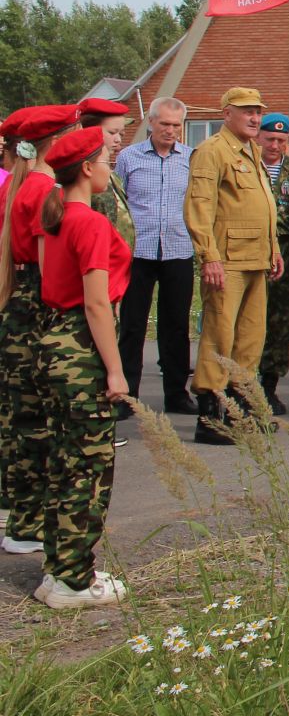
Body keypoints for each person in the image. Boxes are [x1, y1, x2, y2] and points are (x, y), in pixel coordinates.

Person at [17, 127, 132, 608]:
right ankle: (73, 579)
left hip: (51, 344)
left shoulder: (55, 216)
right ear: (87, 168)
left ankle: (60, 570)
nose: (111, 164)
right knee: (88, 468)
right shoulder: (90, 223)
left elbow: (48, 285)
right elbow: (96, 305)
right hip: (81, 349)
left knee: (64, 463)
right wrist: (115, 371)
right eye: (106, 158)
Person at [1, 103, 80, 557]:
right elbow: (50, 265)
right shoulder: (44, 190)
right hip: (38, 302)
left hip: (18, 301)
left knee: (20, 417)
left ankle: (19, 517)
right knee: (39, 421)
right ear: (59, 141)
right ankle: (30, 523)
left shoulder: (17, 185)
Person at [182, 88, 280, 444]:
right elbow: (199, 207)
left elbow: (263, 205)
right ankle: (211, 414)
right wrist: (209, 256)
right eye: (247, 111)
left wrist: (274, 249)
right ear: (227, 114)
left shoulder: (252, 150)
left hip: (256, 258)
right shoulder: (212, 152)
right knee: (219, 336)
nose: (255, 118)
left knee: (251, 338)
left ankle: (241, 408)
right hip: (227, 261)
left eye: (258, 111)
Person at [114, 95, 196, 415]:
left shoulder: (190, 158)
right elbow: (118, 202)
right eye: (165, 124)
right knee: (133, 325)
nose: (171, 130)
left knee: (175, 325)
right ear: (151, 122)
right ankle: (127, 395)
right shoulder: (129, 157)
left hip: (178, 249)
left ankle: (176, 394)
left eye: (177, 125)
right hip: (138, 252)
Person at [253, 113, 289, 416]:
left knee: (280, 320)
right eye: (269, 139)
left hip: (286, 252)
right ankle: (242, 382)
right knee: (247, 319)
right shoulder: (246, 167)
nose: (274, 145)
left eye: (280, 141)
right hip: (252, 248)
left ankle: (270, 384)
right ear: (258, 137)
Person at [76, 98, 133, 249]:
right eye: (112, 132)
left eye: (121, 133)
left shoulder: (109, 172)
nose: (118, 139)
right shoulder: (82, 173)